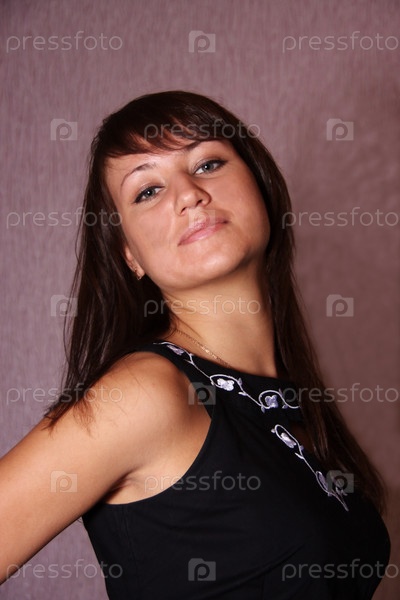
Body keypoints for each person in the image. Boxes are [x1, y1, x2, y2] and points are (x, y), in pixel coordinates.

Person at [0, 90, 390, 599]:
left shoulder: (289, 401)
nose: (188, 194)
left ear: (261, 186)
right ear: (129, 254)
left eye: (207, 163)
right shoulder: (145, 394)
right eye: (147, 191)